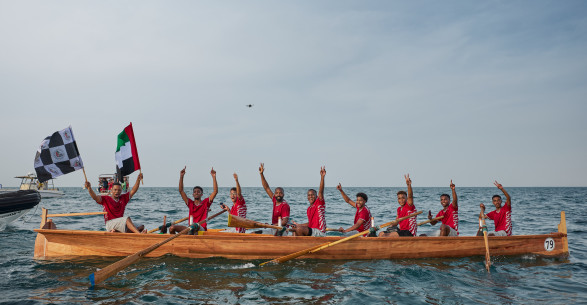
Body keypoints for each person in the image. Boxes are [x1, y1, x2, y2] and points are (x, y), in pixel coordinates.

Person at [170, 166, 218, 234]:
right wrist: (181, 176)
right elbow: (181, 191)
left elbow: (215, 191)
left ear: (201, 194)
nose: (196, 193)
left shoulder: (206, 202)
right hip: (190, 229)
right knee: (171, 228)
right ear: (193, 194)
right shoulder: (190, 203)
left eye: (198, 192)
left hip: (201, 229)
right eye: (195, 192)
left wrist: (214, 177)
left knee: (195, 225)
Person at [291, 166, 327, 237]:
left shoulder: (319, 203)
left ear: (316, 196)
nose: (310, 196)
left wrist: (322, 177)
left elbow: (321, 191)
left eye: (312, 195)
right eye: (309, 195)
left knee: (299, 229)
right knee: (295, 229)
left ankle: (303, 245)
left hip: (320, 232)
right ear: (307, 197)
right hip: (312, 231)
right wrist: (298, 225)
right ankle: (295, 246)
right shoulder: (309, 209)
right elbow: (310, 223)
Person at [259, 163, 290, 236]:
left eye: (280, 193)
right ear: (274, 194)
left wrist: (271, 225)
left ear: (283, 195)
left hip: (282, 230)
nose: (278, 194)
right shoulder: (274, 200)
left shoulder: (285, 205)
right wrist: (261, 174)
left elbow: (284, 222)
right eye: (276, 193)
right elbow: (266, 188)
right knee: (254, 233)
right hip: (274, 227)